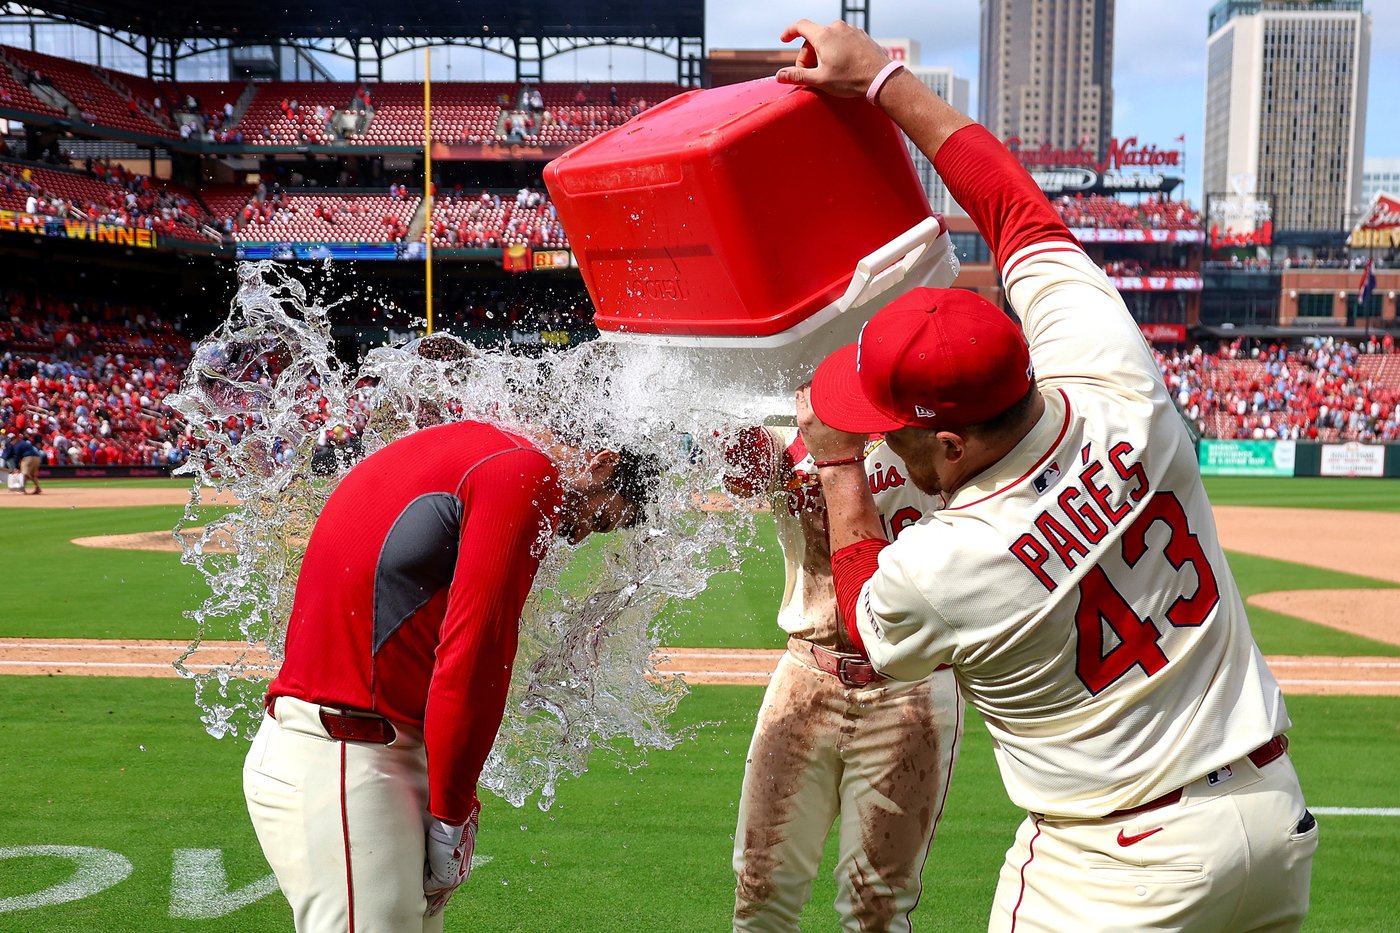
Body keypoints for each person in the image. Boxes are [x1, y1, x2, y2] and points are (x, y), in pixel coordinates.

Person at [781, 19, 1315, 933]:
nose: (877, 441)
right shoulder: (1116, 381)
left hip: (1118, 868)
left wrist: (836, 464)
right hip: (1271, 823)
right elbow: (1018, 208)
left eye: (890, 432)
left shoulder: (953, 557)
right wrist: (880, 79)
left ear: (951, 446)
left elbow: (867, 626)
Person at [244, 418, 661, 933]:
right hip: (348, 758)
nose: (577, 537)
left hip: (347, 747)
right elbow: (472, 658)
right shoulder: (523, 471)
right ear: (603, 463)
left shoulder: (484, 443)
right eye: (599, 519)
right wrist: (452, 812)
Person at [722, 424, 963, 932]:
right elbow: (739, 473)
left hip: (911, 687)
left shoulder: (939, 428)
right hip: (808, 670)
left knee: (876, 907)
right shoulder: (795, 429)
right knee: (760, 890)